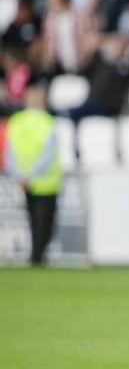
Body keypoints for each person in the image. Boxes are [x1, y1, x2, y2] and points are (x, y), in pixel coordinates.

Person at [3, 84, 62, 266]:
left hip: (23, 180)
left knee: (32, 220)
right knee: (44, 222)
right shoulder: (48, 122)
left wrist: (19, 175)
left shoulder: (16, 121)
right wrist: (33, 175)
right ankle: (38, 256)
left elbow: (9, 152)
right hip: (46, 181)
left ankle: (35, 256)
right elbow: (48, 154)